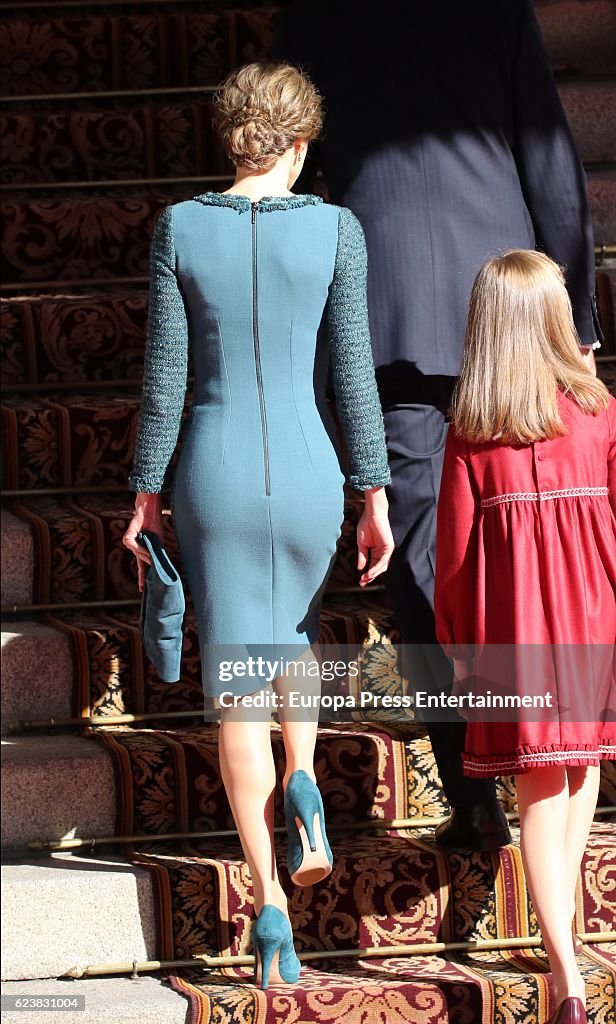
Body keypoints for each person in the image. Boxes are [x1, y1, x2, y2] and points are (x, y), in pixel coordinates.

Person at [271, 0, 604, 851]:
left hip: (385, 317)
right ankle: (561, 755)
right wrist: (585, 322)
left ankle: (473, 793)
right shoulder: (495, 8)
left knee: (427, 566)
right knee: (535, 543)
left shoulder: (315, 22)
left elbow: (286, 167)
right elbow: (548, 161)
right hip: (509, 315)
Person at [122, 61, 394, 990]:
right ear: (302, 142)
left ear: (232, 136)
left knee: (236, 678)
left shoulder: (179, 228)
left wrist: (143, 492)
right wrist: (374, 490)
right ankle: (307, 776)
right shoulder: (337, 230)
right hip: (314, 472)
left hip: (214, 469)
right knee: (292, 636)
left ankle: (271, 901)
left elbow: (165, 377)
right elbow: (354, 372)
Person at [434, 250, 615, 1024]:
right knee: (578, 775)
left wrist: (460, 642)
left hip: (520, 635)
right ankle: (565, 952)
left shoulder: (472, 433)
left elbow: (452, 554)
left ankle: (564, 970)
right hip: (596, 618)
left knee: (545, 782)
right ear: (553, 319)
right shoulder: (600, 412)